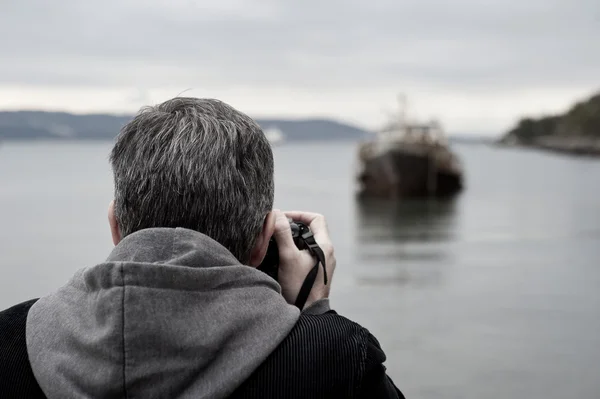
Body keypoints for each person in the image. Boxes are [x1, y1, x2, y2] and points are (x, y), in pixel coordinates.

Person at [0, 97, 404, 399]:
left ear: (115, 225)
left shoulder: (9, 338)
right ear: (265, 238)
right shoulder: (338, 360)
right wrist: (313, 314)